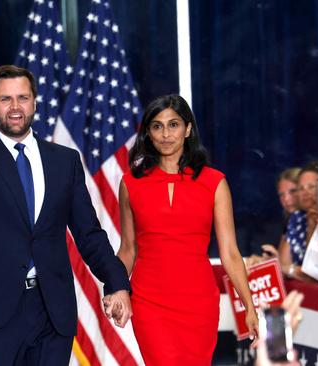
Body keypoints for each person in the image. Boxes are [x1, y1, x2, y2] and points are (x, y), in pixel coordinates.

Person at [0, 65, 131, 365]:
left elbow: (89, 233)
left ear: (35, 102)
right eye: (5, 99)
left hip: (52, 310)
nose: (15, 107)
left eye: (23, 98)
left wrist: (116, 282)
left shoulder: (64, 161)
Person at [115, 95, 258, 365]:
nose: (166, 134)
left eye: (174, 125)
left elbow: (229, 253)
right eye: (157, 126)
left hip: (198, 302)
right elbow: (128, 249)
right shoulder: (130, 183)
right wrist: (114, 288)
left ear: (188, 129)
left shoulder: (214, 182)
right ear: (148, 133)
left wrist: (249, 307)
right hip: (149, 301)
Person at [278, 160, 318, 280]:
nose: (305, 192)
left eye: (311, 186)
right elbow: (283, 264)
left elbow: (317, 272)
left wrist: (290, 269)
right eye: (301, 188)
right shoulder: (297, 218)